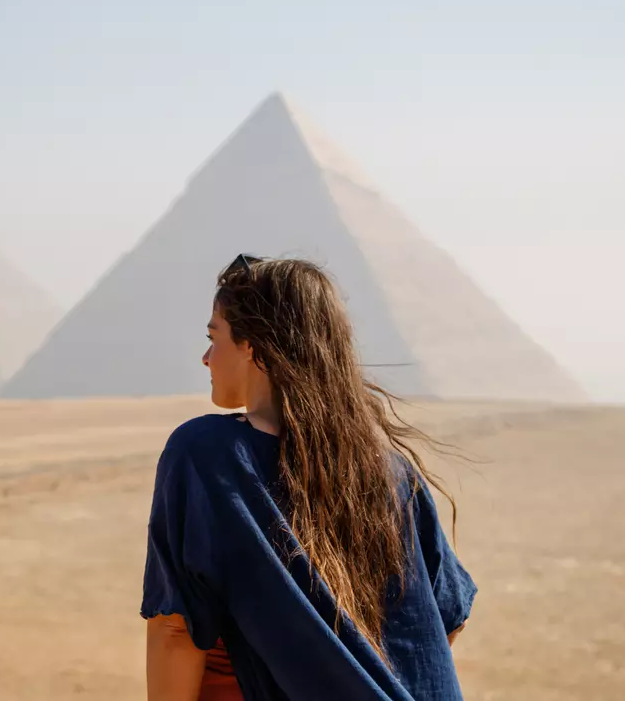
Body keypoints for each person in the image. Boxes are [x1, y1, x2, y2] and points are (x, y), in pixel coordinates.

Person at [141, 255, 476, 701]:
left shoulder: (206, 453)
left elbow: (174, 632)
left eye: (213, 337)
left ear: (253, 345)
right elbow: (445, 620)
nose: (205, 358)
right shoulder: (391, 469)